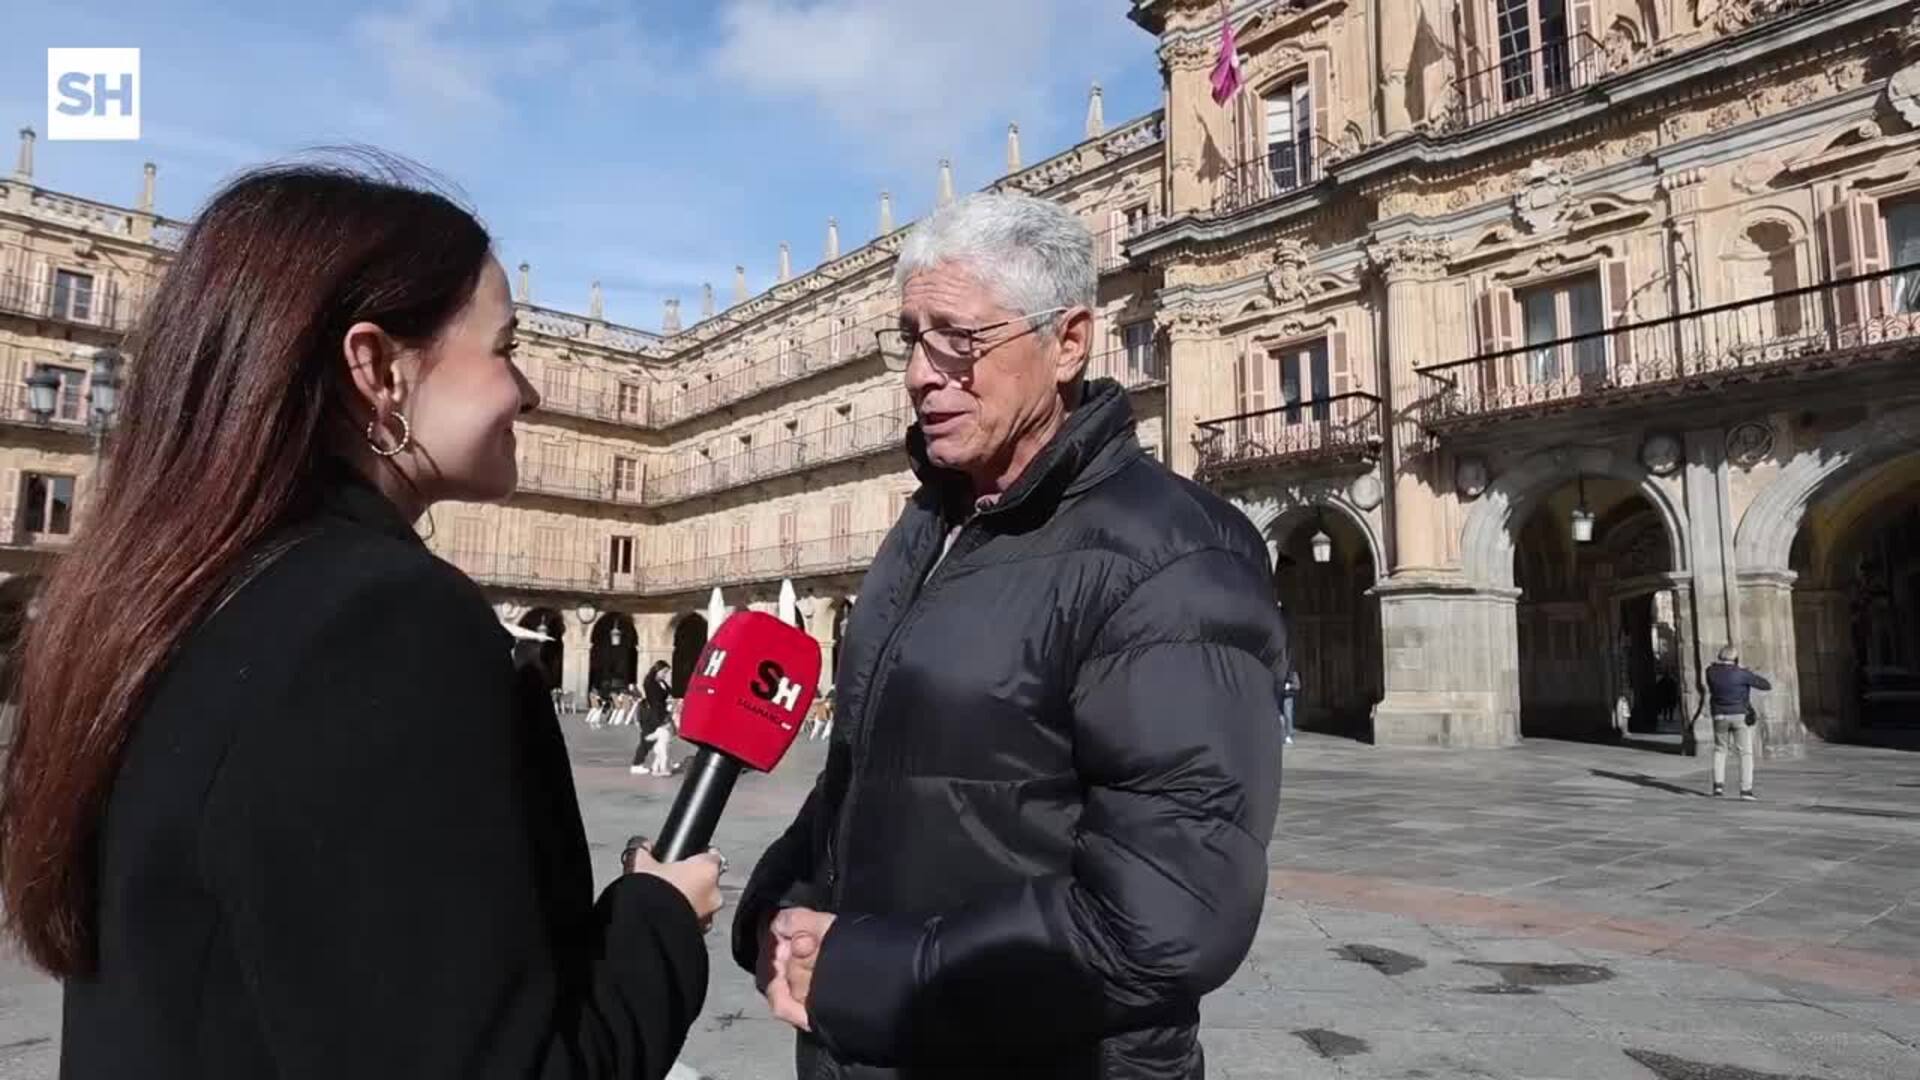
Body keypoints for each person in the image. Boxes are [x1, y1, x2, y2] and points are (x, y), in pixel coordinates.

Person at [0, 159, 723, 1079]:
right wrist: (656, 918)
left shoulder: (162, 601)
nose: (529, 391)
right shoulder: (382, 625)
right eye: (504, 348)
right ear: (377, 368)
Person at [734, 193, 1288, 1079]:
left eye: (958, 338)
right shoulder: (925, 529)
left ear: (1068, 341)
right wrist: (782, 902)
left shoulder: (1174, 558)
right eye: (910, 339)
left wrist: (869, 972)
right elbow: (870, 769)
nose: (922, 373)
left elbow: (1165, 914)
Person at [1705, 644, 1772, 800]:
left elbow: (1715, 675)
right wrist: (1746, 672)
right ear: (1735, 658)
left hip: (1719, 715)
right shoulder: (1742, 674)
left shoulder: (1710, 672)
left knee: (1720, 750)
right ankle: (1745, 790)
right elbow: (1766, 685)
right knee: (1745, 753)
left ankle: (1718, 788)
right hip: (1739, 716)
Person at [633, 661, 673, 776]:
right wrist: (661, 719)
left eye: (667, 672)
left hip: (660, 712)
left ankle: (661, 763)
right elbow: (655, 700)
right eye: (664, 672)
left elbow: (669, 692)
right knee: (646, 740)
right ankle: (636, 765)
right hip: (651, 714)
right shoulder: (650, 682)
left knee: (662, 740)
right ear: (657, 670)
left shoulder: (661, 682)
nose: (665, 675)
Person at [1281, 668, 1301, 746]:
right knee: (1280, 717)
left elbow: (1297, 686)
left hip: (1287, 697)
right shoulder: (1278, 671)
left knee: (1287, 716)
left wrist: (1290, 686)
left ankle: (1288, 735)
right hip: (1279, 695)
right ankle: (1283, 735)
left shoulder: (1292, 673)